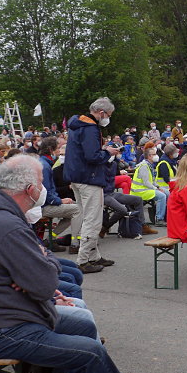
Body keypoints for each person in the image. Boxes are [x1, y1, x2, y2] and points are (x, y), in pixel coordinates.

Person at [0, 155, 180, 373]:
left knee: (85, 328)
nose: (44, 188)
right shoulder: (6, 224)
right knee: (91, 351)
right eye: (40, 182)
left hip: (6, 318)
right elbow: (45, 279)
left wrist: (34, 276)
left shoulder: (1, 215)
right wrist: (37, 276)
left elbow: (41, 270)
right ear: (28, 188)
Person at [64, 97, 120, 273]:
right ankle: (83, 260)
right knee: (93, 219)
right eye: (108, 115)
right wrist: (107, 152)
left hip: (77, 177)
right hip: (89, 178)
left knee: (86, 216)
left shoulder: (78, 124)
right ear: (101, 112)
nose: (108, 118)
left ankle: (94, 256)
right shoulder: (90, 129)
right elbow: (92, 156)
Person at [39, 137, 83, 248]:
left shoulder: (44, 163)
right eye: (58, 149)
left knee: (72, 206)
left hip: (44, 204)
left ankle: (51, 238)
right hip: (44, 206)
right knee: (78, 209)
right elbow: (47, 193)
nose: (59, 153)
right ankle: (75, 244)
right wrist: (60, 201)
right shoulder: (45, 166)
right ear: (50, 149)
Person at [131, 147, 168, 228]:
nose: (156, 155)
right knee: (162, 196)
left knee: (167, 192)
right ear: (149, 156)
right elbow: (146, 182)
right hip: (139, 191)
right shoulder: (144, 166)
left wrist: (158, 187)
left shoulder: (150, 165)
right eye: (154, 154)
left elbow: (152, 181)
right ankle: (159, 219)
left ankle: (167, 216)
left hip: (145, 189)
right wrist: (156, 189)